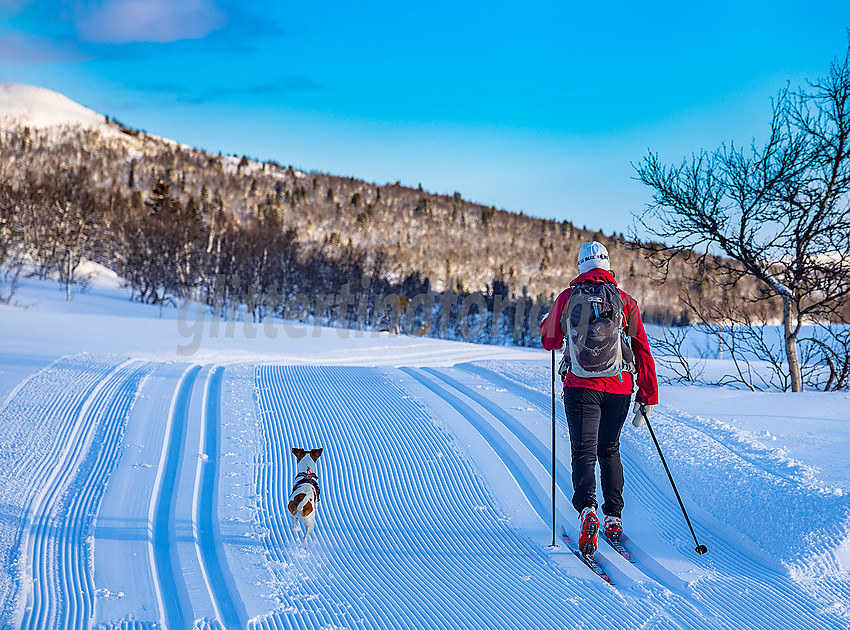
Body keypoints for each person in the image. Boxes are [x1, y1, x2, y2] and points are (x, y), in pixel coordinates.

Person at [540, 241, 658, 556]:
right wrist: (647, 393)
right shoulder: (624, 301)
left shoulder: (567, 298)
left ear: (581, 266)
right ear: (606, 265)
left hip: (580, 387)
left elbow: (549, 339)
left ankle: (587, 511)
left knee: (583, 450)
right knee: (609, 450)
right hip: (619, 389)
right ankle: (614, 517)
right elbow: (642, 347)